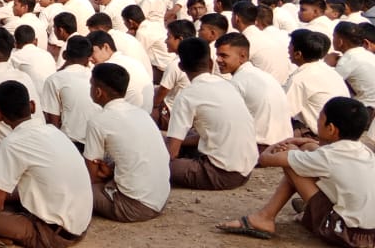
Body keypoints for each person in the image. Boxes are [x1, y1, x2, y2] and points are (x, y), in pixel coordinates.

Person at [218, 97, 375, 245]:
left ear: (331, 128)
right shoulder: (366, 152)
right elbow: (322, 154)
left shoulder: (326, 157)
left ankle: (264, 217)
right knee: (305, 152)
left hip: (347, 234)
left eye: (320, 118)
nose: (317, 122)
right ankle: (292, 213)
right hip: (370, 235)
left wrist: (286, 145)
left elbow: (265, 160)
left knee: (293, 163)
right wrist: (303, 145)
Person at [0, 80, 93, 248]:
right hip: (79, 227)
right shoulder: (54, 132)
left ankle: (1, 237)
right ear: (32, 106)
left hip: (52, 235)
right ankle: (4, 234)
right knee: (7, 197)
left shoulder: (13, 143)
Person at [165, 37, 258, 190]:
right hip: (245, 170)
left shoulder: (187, 95)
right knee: (191, 136)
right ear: (210, 62)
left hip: (220, 174)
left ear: (181, 67)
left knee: (155, 164)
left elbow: (171, 153)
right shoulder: (227, 85)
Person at [83, 62, 170, 222]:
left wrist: (99, 173)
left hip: (134, 206)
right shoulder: (141, 114)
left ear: (98, 91)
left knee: (77, 187)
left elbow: (91, 176)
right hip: (159, 199)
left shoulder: (98, 121)